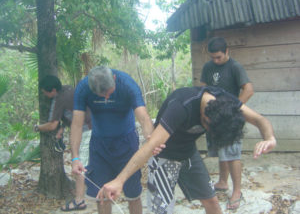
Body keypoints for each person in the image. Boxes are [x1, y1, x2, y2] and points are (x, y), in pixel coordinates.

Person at [97, 86, 276, 214]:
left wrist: (270, 138)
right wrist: (119, 180)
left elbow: (260, 119)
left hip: (189, 153)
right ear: (205, 118)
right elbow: (151, 147)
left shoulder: (226, 104)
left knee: (212, 201)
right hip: (163, 157)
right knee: (162, 210)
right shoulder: (181, 106)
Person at [70, 66, 155, 214]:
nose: (106, 98)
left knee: (133, 195)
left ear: (114, 79)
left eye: (108, 93)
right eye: (101, 95)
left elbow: (144, 118)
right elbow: (77, 124)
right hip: (99, 145)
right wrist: (75, 157)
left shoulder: (128, 84)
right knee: (101, 195)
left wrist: (151, 143)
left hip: (127, 143)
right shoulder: (83, 88)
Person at [200, 37, 254, 210]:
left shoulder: (235, 67)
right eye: (212, 57)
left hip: (230, 117)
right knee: (221, 150)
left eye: (219, 57)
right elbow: (202, 88)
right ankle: (223, 182)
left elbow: (249, 89)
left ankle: (237, 191)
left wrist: (234, 109)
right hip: (214, 116)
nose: (215, 61)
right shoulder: (208, 67)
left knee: (232, 154)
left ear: (227, 51)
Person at [34, 75, 91, 211]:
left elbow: (52, 125)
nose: (44, 94)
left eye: (44, 91)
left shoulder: (58, 99)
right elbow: (71, 110)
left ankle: (79, 201)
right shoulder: (68, 89)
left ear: (52, 90)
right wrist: (63, 127)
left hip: (85, 130)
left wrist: (37, 127)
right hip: (93, 126)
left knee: (78, 165)